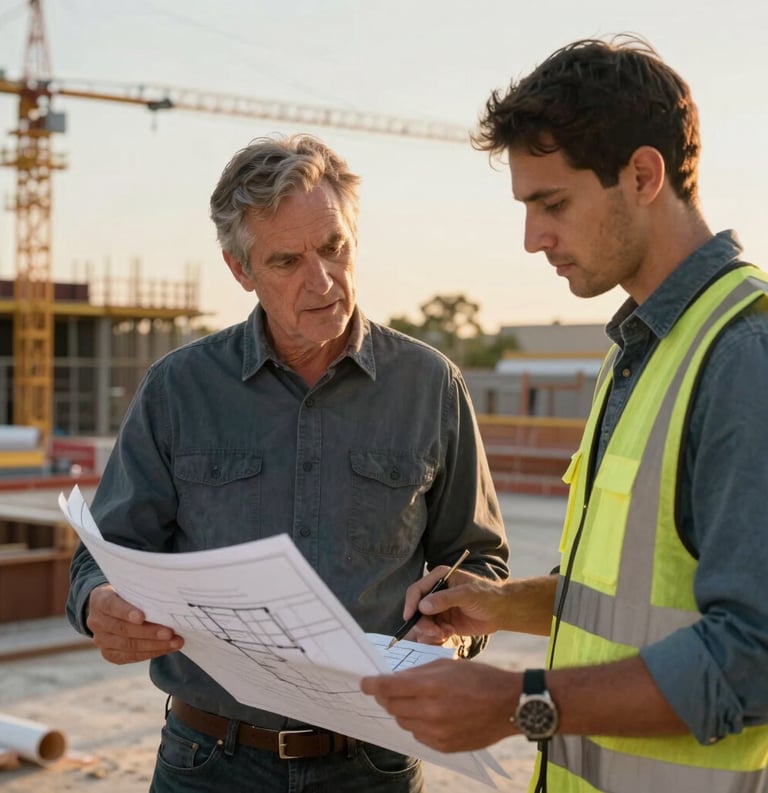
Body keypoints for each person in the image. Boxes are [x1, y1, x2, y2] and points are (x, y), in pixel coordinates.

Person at [362, 36, 768, 793]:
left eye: (553, 204)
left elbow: (753, 658)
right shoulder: (636, 349)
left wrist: (523, 704)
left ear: (644, 175)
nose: (532, 238)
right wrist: (497, 603)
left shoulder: (744, 356)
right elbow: (634, 601)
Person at [66, 133, 510, 793]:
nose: (323, 280)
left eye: (334, 247)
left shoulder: (431, 386)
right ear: (240, 269)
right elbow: (101, 555)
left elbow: (482, 563)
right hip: (208, 760)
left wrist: (454, 634)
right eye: (287, 260)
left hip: (374, 763)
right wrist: (98, 603)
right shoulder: (178, 390)